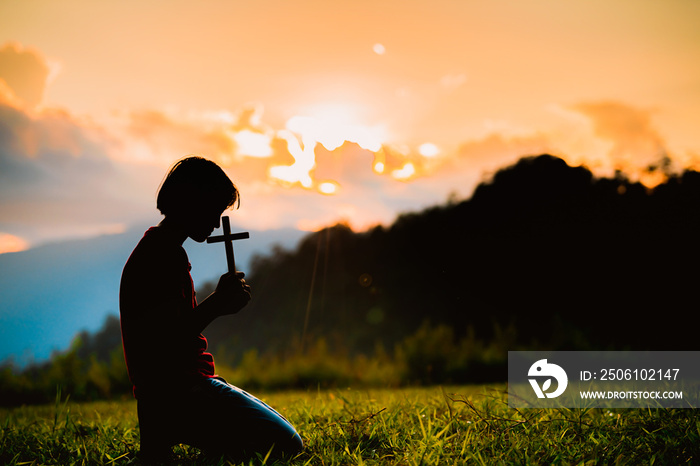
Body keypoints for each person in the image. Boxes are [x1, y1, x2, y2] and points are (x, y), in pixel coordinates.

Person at [119, 156, 303, 463]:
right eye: (213, 211)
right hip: (181, 394)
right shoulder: (160, 257)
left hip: (176, 393)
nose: (217, 223)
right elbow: (164, 342)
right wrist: (216, 305)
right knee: (288, 444)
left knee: (278, 431)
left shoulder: (163, 250)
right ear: (191, 202)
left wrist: (219, 304)